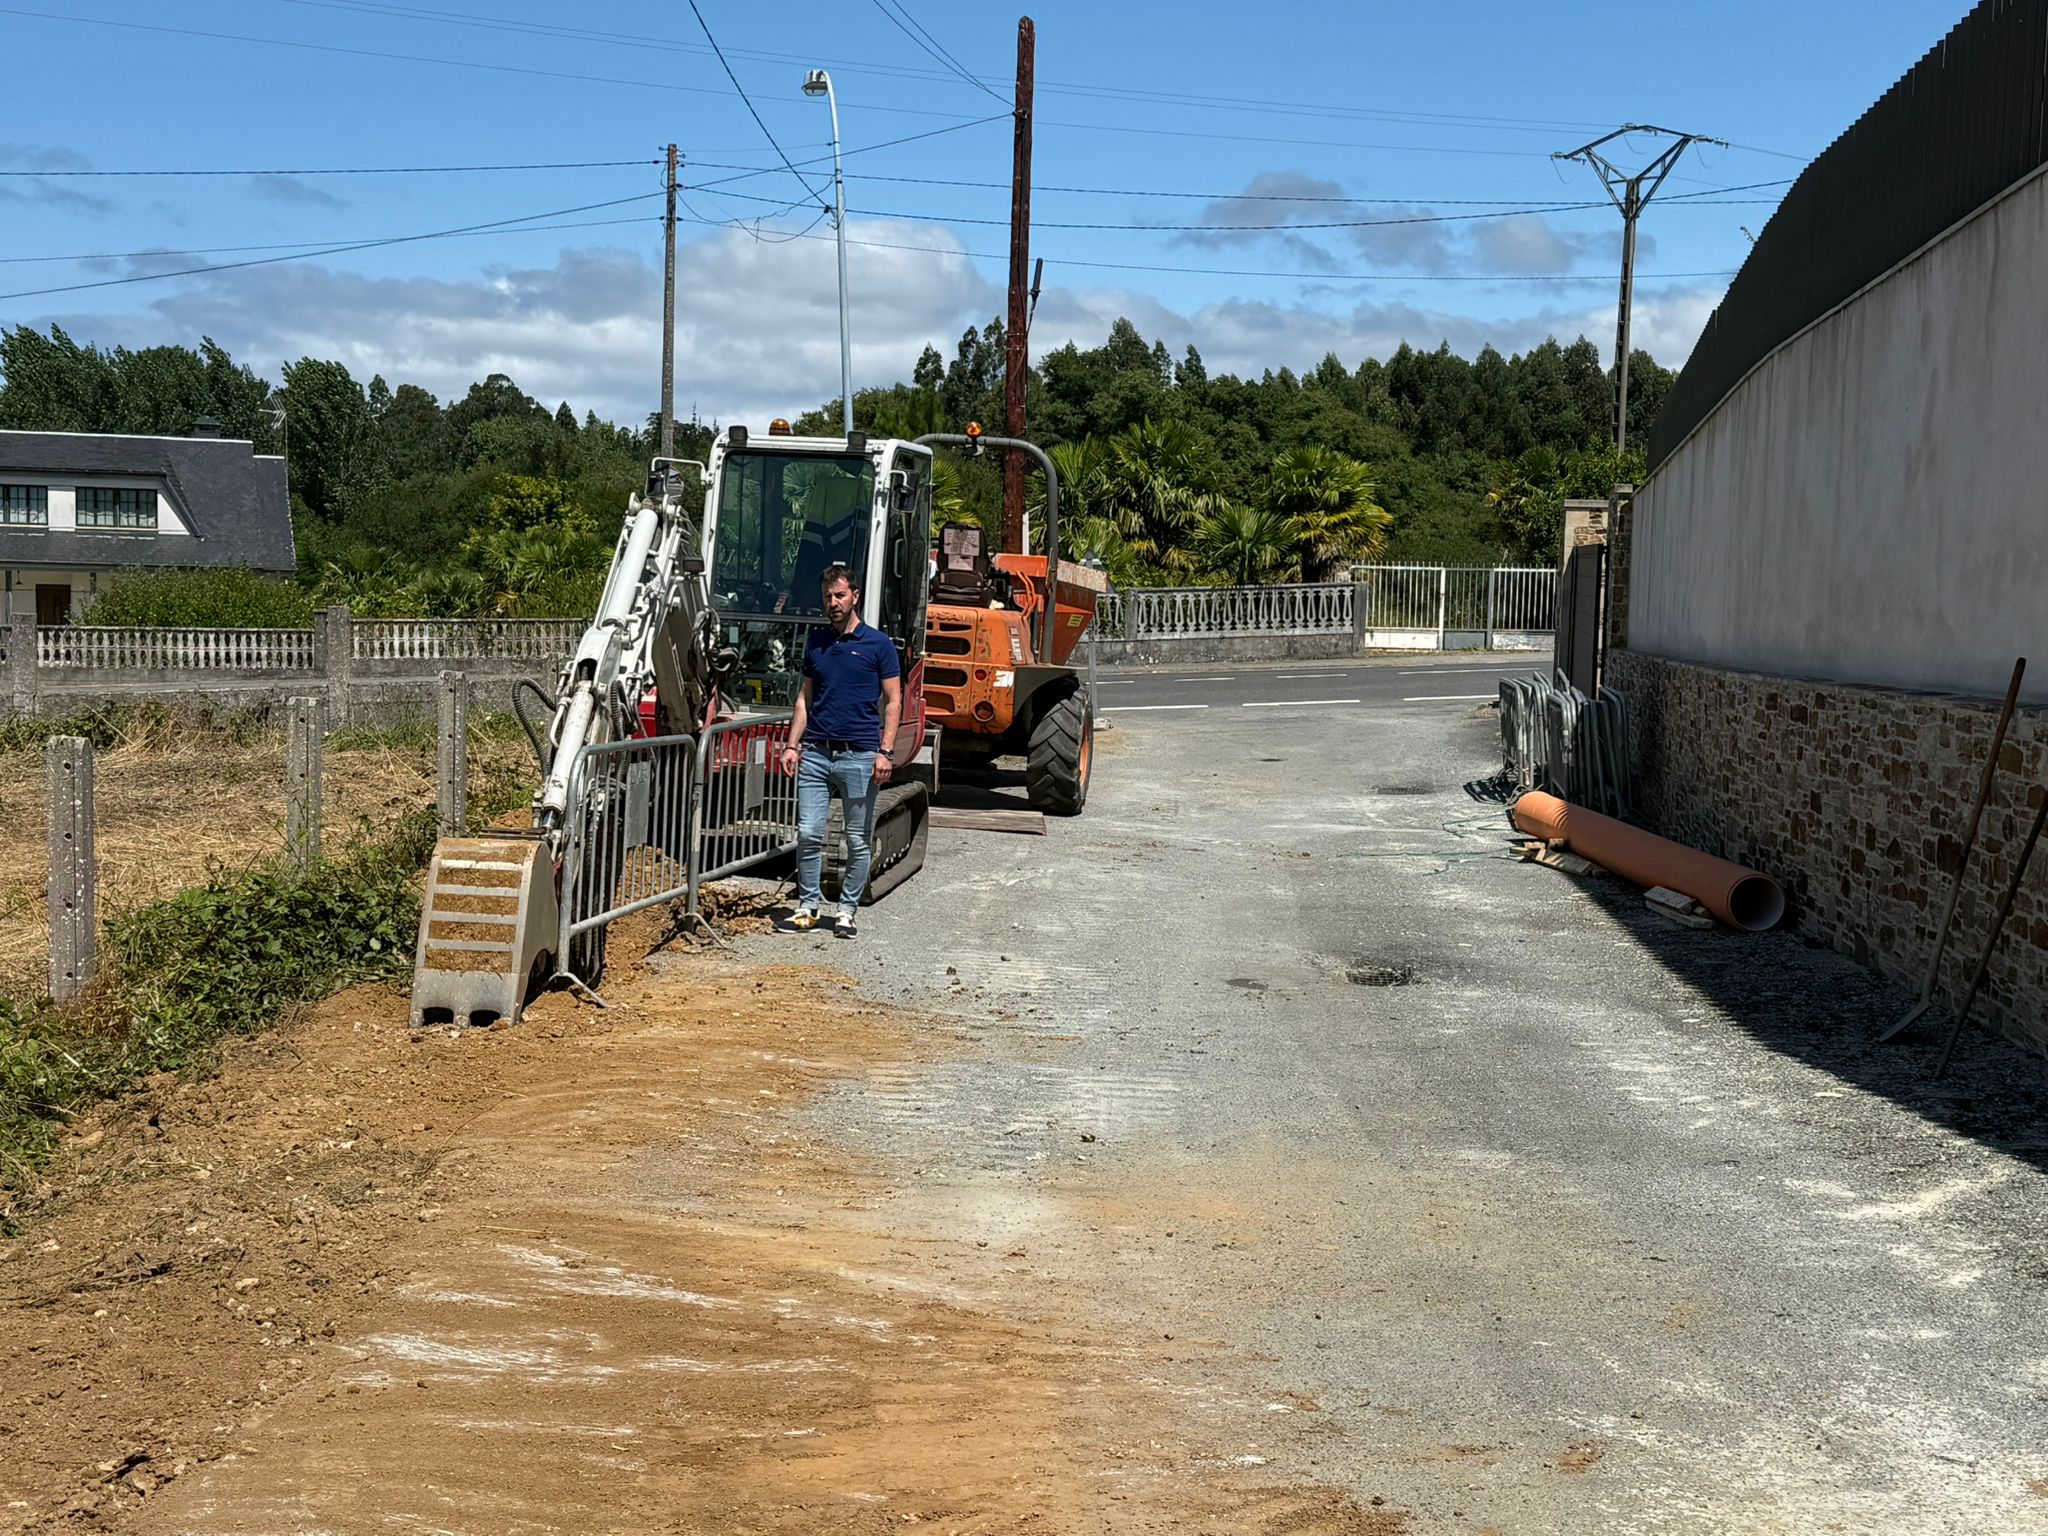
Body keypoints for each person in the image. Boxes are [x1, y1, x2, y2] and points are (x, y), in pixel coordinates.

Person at [777, 563, 901, 938]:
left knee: (857, 838)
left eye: (840, 596)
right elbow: (804, 699)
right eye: (828, 597)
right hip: (816, 752)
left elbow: (894, 701)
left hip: (860, 755)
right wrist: (792, 745)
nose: (833, 603)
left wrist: (886, 752)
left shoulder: (878, 645)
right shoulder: (816, 643)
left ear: (855, 597)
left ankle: (846, 911)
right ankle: (808, 907)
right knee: (810, 832)